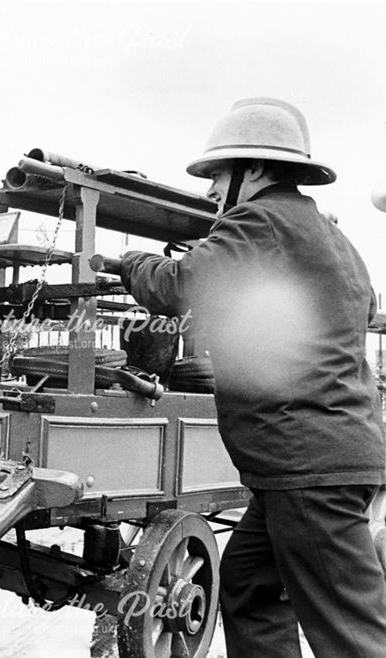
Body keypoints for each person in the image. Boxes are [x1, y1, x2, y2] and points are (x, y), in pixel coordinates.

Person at [118, 98, 386, 657]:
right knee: (249, 583)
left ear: (256, 169)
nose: (212, 191)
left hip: (306, 464)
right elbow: (357, 312)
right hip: (316, 461)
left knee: (350, 630)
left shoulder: (259, 219)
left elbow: (178, 284)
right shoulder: (338, 242)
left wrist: (127, 265)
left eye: (217, 174)